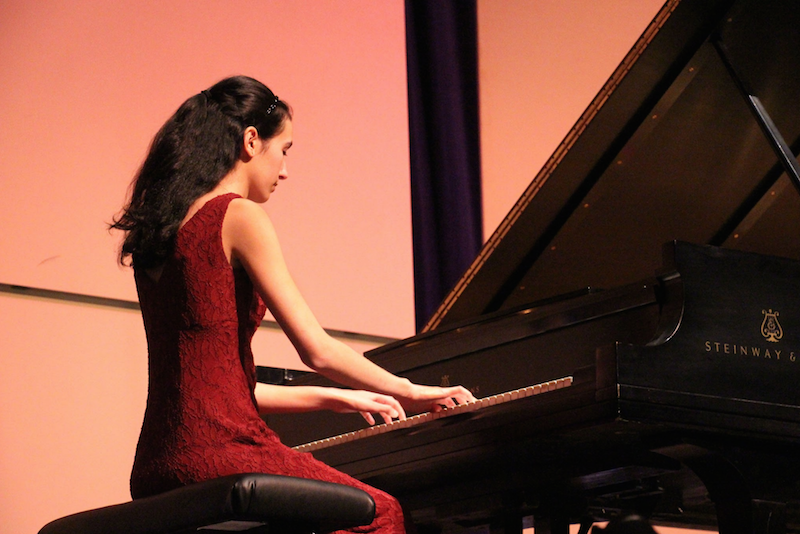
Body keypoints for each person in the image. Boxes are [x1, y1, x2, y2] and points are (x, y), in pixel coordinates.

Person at [110, 75, 475, 534]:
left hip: (156, 463)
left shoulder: (160, 235)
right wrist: (413, 390)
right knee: (380, 513)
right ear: (250, 141)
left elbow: (216, 389)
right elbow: (316, 350)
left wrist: (332, 397)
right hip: (221, 452)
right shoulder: (237, 215)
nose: (285, 171)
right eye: (284, 150)